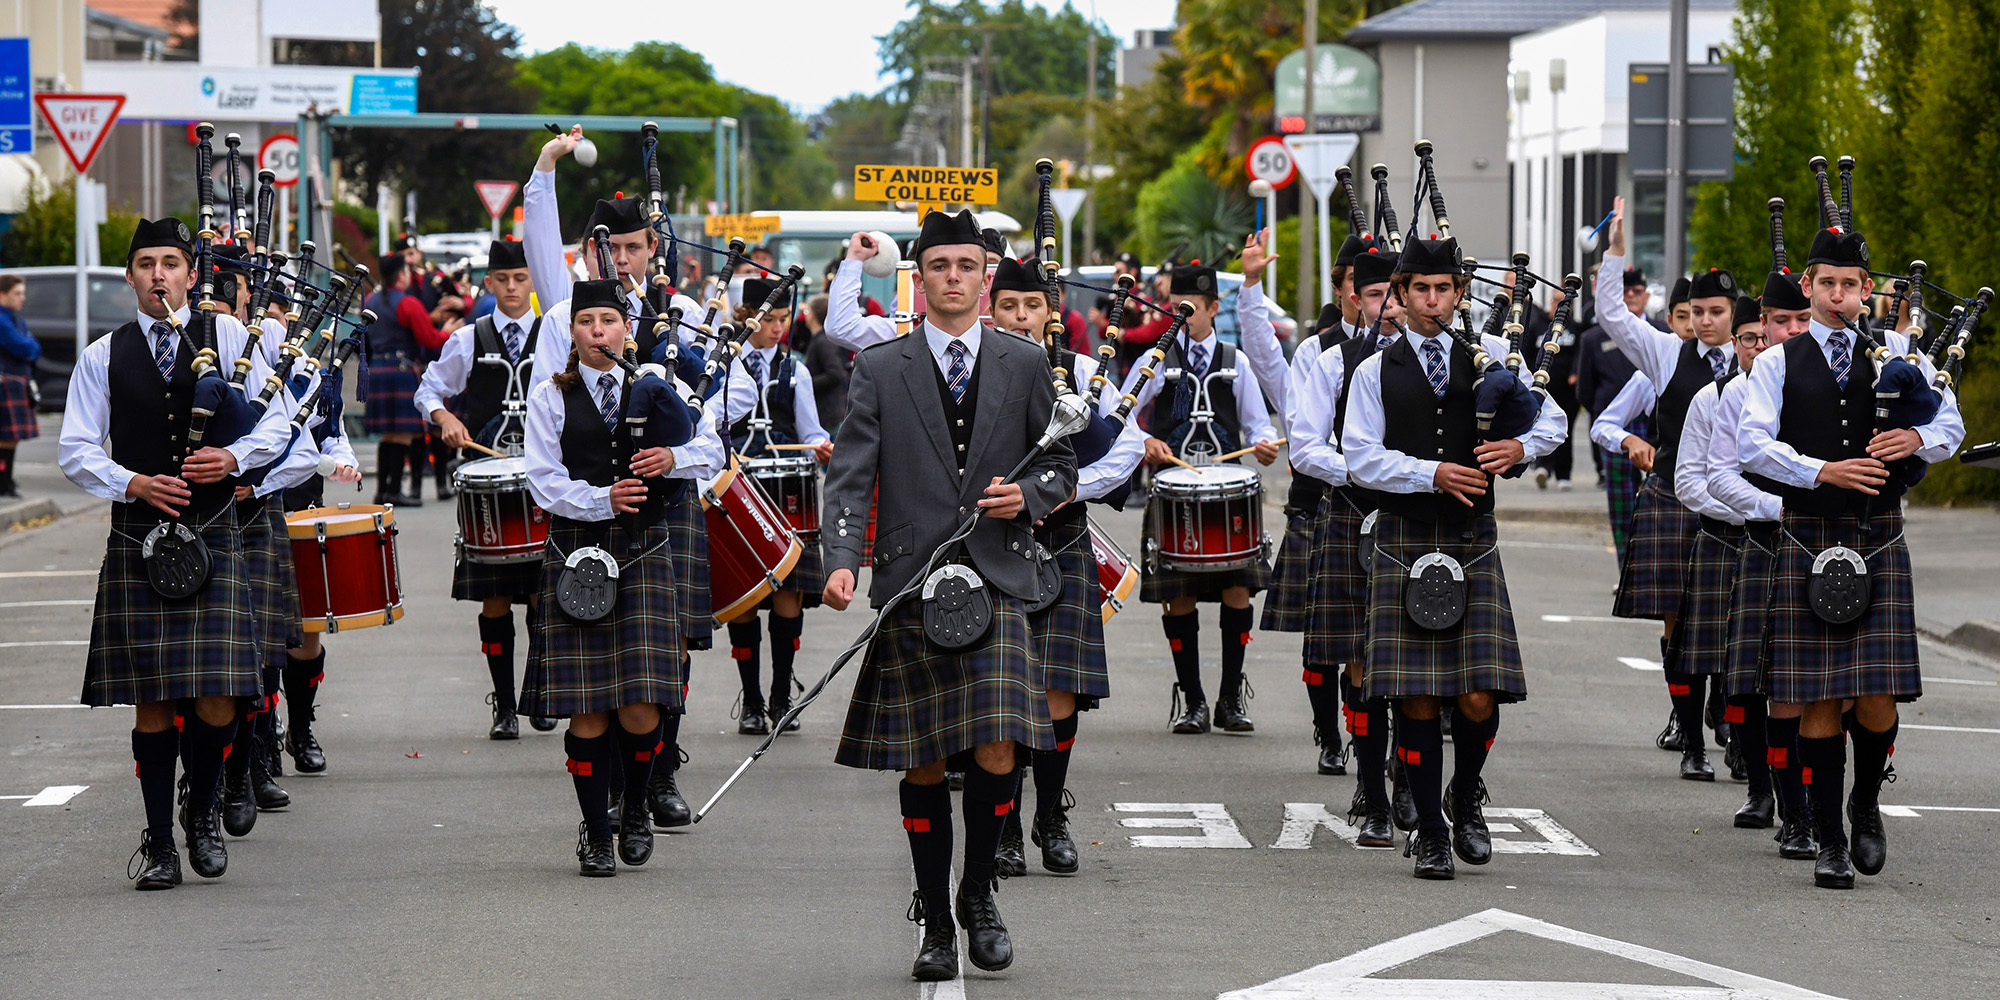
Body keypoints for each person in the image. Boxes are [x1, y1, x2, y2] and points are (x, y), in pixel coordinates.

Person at [820, 209, 1075, 981]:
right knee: (925, 760)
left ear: (986, 275)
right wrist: (840, 558)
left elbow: (1062, 468)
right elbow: (851, 473)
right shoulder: (882, 366)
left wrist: (1028, 497)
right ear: (920, 276)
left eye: (968, 265)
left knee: (999, 744)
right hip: (912, 579)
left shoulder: (1027, 364)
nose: (955, 277)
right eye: (941, 266)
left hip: (999, 574)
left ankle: (978, 894)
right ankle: (934, 918)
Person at [57, 217, 296, 889]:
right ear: (130, 276)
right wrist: (129, 480)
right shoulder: (104, 354)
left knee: (219, 696)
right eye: (144, 264)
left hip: (216, 533)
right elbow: (76, 447)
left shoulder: (232, 338)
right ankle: (161, 841)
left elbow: (279, 420)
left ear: (192, 274)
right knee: (154, 700)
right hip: (140, 539)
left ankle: (204, 811)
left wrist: (233, 456)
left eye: (169, 262)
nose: (158, 274)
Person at [1738, 202, 1963, 889]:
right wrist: (1821, 471)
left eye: (1853, 284)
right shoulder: (1777, 363)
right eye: (1827, 283)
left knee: (1876, 698)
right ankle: (1830, 836)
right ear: (1806, 285)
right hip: (1811, 535)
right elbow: (1752, 442)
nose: (1840, 295)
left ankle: (1866, 802)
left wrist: (1916, 437)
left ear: (1869, 289)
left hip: (1878, 535)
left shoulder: (1902, 354)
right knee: (1817, 701)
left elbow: (1952, 421)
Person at [1340, 232, 1568, 879]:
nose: (1432, 300)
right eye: (1420, 290)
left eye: (1443, 289)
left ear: (1459, 293)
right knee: (1415, 695)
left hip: (1471, 544)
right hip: (1405, 539)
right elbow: (1360, 456)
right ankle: (1434, 833)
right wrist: (1431, 472)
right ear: (1403, 295)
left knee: (1476, 696)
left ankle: (1465, 795)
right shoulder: (1373, 372)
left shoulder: (1492, 357)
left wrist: (1519, 451)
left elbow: (1552, 423)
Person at [524, 126, 726, 830]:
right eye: (617, 249)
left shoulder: (685, 318)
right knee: (599, 676)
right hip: (591, 510)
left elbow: (719, 415)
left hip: (666, 507)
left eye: (639, 247)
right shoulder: (568, 315)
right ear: (596, 254)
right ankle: (608, 797)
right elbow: (553, 413)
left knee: (662, 653)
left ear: (655, 248)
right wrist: (544, 171)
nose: (630, 259)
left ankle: (658, 773)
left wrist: (676, 456)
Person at [984, 254, 1144, 877]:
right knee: (1002, 688)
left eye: (1032, 307)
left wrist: (1070, 488)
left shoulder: (1082, 372)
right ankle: (998, 827)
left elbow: (1126, 444)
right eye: (1008, 307)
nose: (1021, 318)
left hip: (1061, 538)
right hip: (992, 542)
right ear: (990, 309)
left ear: (1052, 312)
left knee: (1056, 692)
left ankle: (1049, 816)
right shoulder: (973, 374)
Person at [520, 278, 685, 876]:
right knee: (587, 709)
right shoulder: (550, 396)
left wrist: (673, 458)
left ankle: (636, 805)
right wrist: (602, 499)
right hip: (577, 554)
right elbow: (542, 479)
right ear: (572, 332)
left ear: (627, 330)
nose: (598, 331)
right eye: (587, 321)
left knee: (643, 707)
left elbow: (712, 447)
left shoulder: (660, 386)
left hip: (643, 553)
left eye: (608, 321)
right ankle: (594, 831)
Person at [1598, 198, 1742, 774]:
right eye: (1696, 311)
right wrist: (1615, 252)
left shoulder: (1758, 361)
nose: (1705, 321)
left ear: (1734, 313)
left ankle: (1731, 718)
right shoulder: (1664, 353)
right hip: (1673, 497)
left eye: (1716, 311)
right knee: (1678, 619)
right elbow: (1611, 314)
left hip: (1734, 503)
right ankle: (1690, 739)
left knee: (1737, 617)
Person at [1115, 261, 1281, 735]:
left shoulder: (1236, 360)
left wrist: (1266, 443)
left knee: (1237, 590)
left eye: (1193, 309)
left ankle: (1231, 698)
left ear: (1213, 308)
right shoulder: (1155, 359)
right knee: (1179, 596)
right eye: (1177, 309)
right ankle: (1193, 701)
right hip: (1173, 492)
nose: (1183, 317)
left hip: (1228, 492)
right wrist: (1142, 440)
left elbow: (1258, 424)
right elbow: (1122, 413)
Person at [1294, 245, 1415, 843]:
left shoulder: (1442, 361)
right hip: (1352, 516)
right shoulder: (1333, 363)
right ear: (1355, 300)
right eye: (1376, 296)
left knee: (1418, 661)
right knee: (1363, 660)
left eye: (1397, 295)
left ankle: (1407, 777)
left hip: (1423, 522)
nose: (1388, 308)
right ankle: (1371, 789)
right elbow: (1305, 447)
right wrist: (1362, 469)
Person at [413, 239, 555, 740]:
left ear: (532, 280)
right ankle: (504, 705)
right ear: (488, 284)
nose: (513, 289)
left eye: (521, 279)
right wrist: (445, 416)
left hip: (543, 482)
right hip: (485, 486)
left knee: (544, 594)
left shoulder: (553, 332)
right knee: (493, 600)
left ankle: (539, 693)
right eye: (503, 280)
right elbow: (428, 388)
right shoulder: (470, 338)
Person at [1715, 265, 1814, 859]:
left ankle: (1833, 800)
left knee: (1835, 689)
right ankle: (1784, 803)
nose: (1793, 330)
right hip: (1770, 540)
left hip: (1832, 540)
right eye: (1782, 322)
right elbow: (1722, 476)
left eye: (1801, 319)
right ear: (1763, 325)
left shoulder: (1842, 373)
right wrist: (1785, 506)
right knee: (1768, 684)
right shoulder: (1736, 392)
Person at [717, 277, 832, 735]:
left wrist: (820, 445)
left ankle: (783, 697)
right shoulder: (726, 364)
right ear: (747, 316)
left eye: (784, 319)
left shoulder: (796, 370)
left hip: (786, 491)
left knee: (788, 595)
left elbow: (811, 430)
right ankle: (752, 700)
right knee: (743, 594)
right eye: (769, 319)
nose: (777, 328)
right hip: (738, 486)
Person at [1663, 295, 1770, 790]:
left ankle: (1750, 755)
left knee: (1755, 660)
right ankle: (1691, 744)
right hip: (1724, 538)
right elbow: (1689, 482)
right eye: (1749, 338)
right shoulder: (1712, 397)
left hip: (1779, 540)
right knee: (1698, 654)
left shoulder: (1789, 394)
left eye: (1766, 337)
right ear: (1737, 343)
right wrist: (1750, 511)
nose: (1758, 346)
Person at [1575, 269, 1671, 558]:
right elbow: (1585, 390)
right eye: (1625, 291)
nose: (1631, 295)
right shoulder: (1593, 338)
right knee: (1621, 507)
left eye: (1637, 290)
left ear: (1646, 294)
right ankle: (1625, 566)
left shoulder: (1664, 333)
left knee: (1664, 504)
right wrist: (1604, 416)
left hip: (1657, 424)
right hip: (1616, 427)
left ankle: (1654, 567)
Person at [365, 253, 462, 506]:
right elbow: (429, 338)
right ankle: (394, 491)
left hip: (378, 369)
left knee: (388, 435)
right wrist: (447, 332)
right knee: (403, 435)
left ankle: (383, 492)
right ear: (401, 275)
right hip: (401, 370)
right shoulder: (408, 303)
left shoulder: (370, 300)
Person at [0, 274, 38, 498]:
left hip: (17, 381)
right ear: (2, 294)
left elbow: (33, 347)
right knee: (4, 437)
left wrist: (28, 346)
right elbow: (23, 347)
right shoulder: (2, 321)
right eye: (17, 293)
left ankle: (7, 483)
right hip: (6, 382)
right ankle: (3, 484)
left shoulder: (16, 320)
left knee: (11, 438)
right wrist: (28, 346)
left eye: (23, 293)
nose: (22, 298)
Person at [800, 293, 852, 432]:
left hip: (828, 413)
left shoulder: (823, 342)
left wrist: (806, 383)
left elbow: (835, 373)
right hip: (825, 411)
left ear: (814, 315)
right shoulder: (820, 339)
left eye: (807, 311)